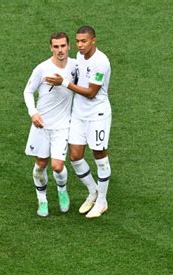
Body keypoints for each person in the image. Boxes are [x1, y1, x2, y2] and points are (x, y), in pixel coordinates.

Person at [45, 25, 112, 218]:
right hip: (79, 115)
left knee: (100, 155)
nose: (80, 45)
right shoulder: (80, 57)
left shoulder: (101, 62)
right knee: (75, 156)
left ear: (93, 41)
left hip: (97, 115)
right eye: (77, 41)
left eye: (84, 41)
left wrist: (64, 83)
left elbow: (91, 93)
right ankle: (93, 192)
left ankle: (102, 202)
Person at [23, 32, 77, 217]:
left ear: (69, 46)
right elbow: (28, 91)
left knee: (57, 166)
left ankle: (62, 192)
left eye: (63, 46)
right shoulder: (42, 68)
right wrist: (33, 113)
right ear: (51, 48)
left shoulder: (75, 66)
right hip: (42, 125)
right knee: (40, 164)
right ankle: (43, 200)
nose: (60, 50)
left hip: (62, 126)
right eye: (56, 46)